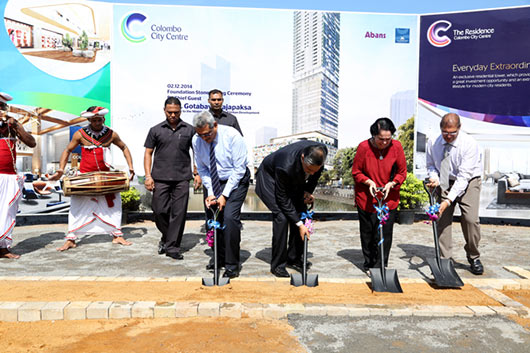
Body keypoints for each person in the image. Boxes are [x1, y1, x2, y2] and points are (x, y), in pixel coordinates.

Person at [49, 106, 135, 251]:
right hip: (85, 177)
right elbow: (67, 150)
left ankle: (116, 235)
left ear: (104, 119)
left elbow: (124, 147)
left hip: (105, 177)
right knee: (78, 207)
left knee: (113, 206)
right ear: (89, 120)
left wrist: (131, 167)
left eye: (99, 120)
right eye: (94, 120)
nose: (97, 123)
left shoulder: (111, 134)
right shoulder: (80, 134)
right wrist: (60, 169)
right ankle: (71, 238)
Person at [255, 140, 327, 278]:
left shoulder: (321, 152)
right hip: (269, 179)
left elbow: (315, 176)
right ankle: (278, 265)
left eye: (314, 170)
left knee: (301, 213)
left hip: (294, 178)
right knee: (282, 217)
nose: (311, 173)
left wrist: (307, 191)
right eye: (308, 170)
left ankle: (293, 258)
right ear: (302, 158)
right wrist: (299, 224)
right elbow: (282, 198)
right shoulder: (285, 165)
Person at [192, 110, 249, 278]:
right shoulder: (197, 140)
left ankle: (232, 264)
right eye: (200, 135)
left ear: (215, 125)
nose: (204, 138)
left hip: (236, 181)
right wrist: (211, 192)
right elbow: (202, 168)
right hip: (214, 181)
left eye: (207, 134)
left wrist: (224, 195)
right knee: (213, 218)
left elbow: (239, 170)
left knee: (230, 218)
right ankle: (219, 257)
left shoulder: (232, 136)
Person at [426, 113, 483, 275]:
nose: (448, 136)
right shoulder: (433, 142)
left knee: (470, 219)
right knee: (442, 219)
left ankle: (473, 256)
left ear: (459, 128)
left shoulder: (469, 144)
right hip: (445, 177)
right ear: (440, 129)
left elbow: (464, 176)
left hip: (469, 180)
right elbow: (431, 165)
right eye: (445, 132)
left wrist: (448, 200)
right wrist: (435, 178)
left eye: (452, 133)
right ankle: (445, 260)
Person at [144, 97, 201, 260]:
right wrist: (148, 176)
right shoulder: (155, 130)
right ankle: (168, 237)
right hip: (160, 177)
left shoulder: (190, 130)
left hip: (182, 178)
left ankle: (172, 247)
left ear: (180, 111)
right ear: (164, 110)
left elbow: (197, 152)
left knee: (179, 213)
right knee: (159, 210)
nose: (173, 115)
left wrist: (197, 173)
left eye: (176, 112)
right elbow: (148, 153)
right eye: (170, 112)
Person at [351, 118, 407, 274]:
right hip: (367, 198)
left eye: (388, 139)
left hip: (389, 198)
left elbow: (402, 172)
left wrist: (393, 183)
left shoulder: (397, 147)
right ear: (373, 135)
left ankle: (381, 264)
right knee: (368, 232)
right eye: (381, 139)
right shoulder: (364, 147)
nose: (384, 143)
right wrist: (368, 182)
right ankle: (369, 263)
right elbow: (356, 172)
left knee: (385, 232)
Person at [0, 92, 36, 259]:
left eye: (1, 106)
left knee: (7, 212)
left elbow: (31, 143)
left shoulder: (12, 127)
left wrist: (17, 127)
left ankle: (3, 248)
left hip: (8, 176)